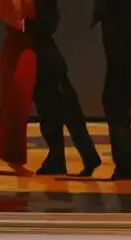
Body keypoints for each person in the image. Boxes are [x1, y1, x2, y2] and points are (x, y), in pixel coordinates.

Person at [28, 0, 102, 177]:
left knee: (58, 111)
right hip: (46, 59)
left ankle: (69, 157)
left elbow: (45, 24)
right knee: (63, 111)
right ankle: (74, 156)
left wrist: (24, 25)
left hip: (44, 60)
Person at [0, 0, 38, 178]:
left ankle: (12, 159)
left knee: (20, 106)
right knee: (12, 104)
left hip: (26, 50)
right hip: (17, 49)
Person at [92, 0, 131, 180]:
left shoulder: (120, 18)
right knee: (117, 110)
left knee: (116, 110)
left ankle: (126, 166)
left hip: (123, 64)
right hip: (127, 62)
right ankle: (127, 165)